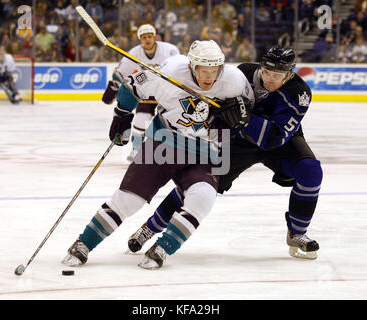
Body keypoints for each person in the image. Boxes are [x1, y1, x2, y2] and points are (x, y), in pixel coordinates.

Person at [62, 40, 255, 269]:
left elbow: (249, 109)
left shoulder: (233, 80)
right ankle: (84, 243)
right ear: (193, 66)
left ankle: (162, 248)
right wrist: (122, 115)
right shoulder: (170, 70)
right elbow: (131, 86)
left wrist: (240, 117)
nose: (209, 77)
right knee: (129, 201)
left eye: (214, 71)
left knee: (203, 197)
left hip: (205, 152)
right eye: (204, 70)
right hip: (164, 142)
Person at [128, 45, 323, 261]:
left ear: (289, 74)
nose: (269, 79)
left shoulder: (299, 93)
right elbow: (212, 107)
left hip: (280, 141)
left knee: (310, 171)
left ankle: (297, 233)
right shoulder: (243, 73)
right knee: (199, 184)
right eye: (266, 72)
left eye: (277, 75)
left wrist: (246, 118)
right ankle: (151, 227)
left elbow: (273, 138)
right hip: (238, 141)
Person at [102, 24, 180, 160]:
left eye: (150, 36)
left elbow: (179, 69)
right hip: (147, 93)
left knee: (171, 123)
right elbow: (121, 72)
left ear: (155, 37)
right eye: (144, 37)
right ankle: (136, 149)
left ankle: (174, 151)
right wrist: (113, 85)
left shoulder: (170, 50)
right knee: (139, 120)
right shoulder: (134, 53)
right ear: (140, 39)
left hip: (166, 94)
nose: (147, 39)